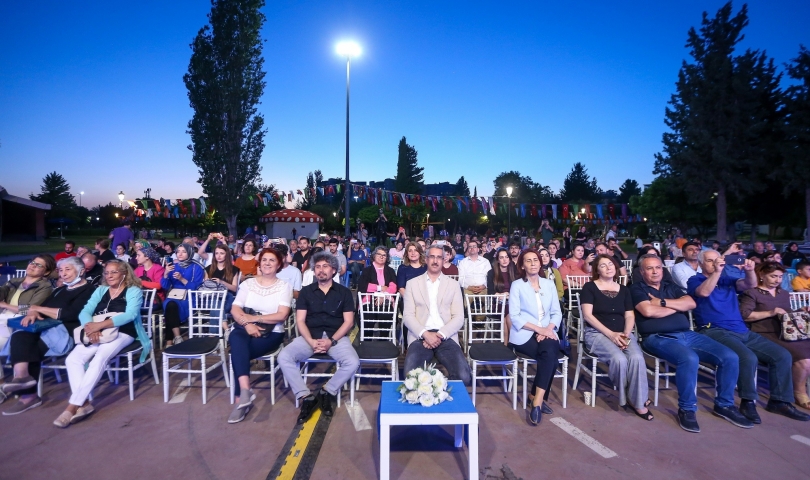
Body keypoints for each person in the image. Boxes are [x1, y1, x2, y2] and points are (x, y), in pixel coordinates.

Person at [631, 253, 749, 433]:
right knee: (689, 358)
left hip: (687, 334)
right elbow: (648, 311)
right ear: (642, 271)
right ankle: (687, 409)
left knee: (730, 356)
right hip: (656, 337)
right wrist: (676, 307)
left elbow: (691, 303)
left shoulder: (670, 286)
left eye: (658, 267)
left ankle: (724, 405)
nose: (655, 272)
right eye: (650, 268)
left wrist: (661, 303)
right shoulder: (636, 288)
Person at [688, 250, 810, 423]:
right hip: (713, 330)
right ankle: (748, 402)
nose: (715, 264)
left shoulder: (726, 279)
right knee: (747, 357)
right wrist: (716, 271)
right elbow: (704, 293)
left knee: (782, 355)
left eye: (717, 260)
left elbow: (749, 285)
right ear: (700, 264)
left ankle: (780, 401)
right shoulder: (695, 279)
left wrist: (749, 270)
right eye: (710, 261)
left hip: (742, 330)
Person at [52, 260, 150, 428]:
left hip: (124, 331)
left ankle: (72, 407)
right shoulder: (101, 290)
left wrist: (101, 325)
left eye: (114, 272)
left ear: (124, 273)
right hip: (96, 331)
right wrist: (91, 327)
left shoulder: (133, 291)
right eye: (106, 273)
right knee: (73, 359)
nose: (109, 276)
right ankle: (84, 404)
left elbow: (130, 315)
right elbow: (85, 311)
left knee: (100, 357)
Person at [0, 257, 95, 413]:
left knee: (29, 344)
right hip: (47, 328)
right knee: (20, 335)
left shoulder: (89, 290)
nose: (63, 274)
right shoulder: (59, 290)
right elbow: (40, 308)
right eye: (61, 270)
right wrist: (33, 313)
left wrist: (38, 309)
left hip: (66, 332)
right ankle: (22, 377)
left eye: (68, 269)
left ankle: (28, 395)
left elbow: (72, 314)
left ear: (82, 271)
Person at [278, 252, 358, 423]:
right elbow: (300, 320)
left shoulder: (344, 293)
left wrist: (331, 341)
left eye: (325, 267)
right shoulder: (306, 292)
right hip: (310, 335)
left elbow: (348, 322)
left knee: (352, 362)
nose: (321, 270)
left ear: (334, 270)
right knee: (284, 356)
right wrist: (311, 341)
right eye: (318, 267)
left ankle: (327, 391)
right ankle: (306, 396)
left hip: (335, 337)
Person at [580, 255, 651, 420]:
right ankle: (636, 399)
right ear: (597, 270)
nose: (608, 267)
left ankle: (636, 402)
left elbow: (629, 315)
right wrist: (611, 335)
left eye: (610, 264)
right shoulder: (590, 287)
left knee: (637, 357)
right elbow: (588, 316)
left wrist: (626, 334)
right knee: (619, 360)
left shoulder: (624, 289)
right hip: (597, 333)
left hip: (622, 332)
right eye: (603, 265)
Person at [227, 248, 293, 423]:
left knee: (238, 351)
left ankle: (240, 400)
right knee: (237, 338)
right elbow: (235, 308)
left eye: (272, 260)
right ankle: (245, 392)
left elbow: (282, 315)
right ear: (260, 262)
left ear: (278, 264)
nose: (267, 263)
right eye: (264, 260)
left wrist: (255, 318)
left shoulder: (284, 286)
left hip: (270, 334)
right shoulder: (247, 284)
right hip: (244, 330)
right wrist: (247, 324)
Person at [739, 262, 810, 410]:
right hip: (764, 333)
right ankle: (799, 392)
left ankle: (794, 385)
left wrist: (801, 310)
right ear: (762, 275)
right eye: (773, 276)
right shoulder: (752, 293)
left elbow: (788, 314)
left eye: (780, 276)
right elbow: (744, 316)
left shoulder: (783, 293)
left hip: (786, 332)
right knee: (803, 358)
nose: (777, 280)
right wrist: (770, 313)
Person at [402, 245, 471, 386]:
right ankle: (426, 398)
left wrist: (439, 335)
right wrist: (426, 334)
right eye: (432, 257)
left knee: (464, 377)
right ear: (426, 259)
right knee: (410, 378)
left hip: (446, 335)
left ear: (444, 259)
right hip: (420, 336)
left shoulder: (453, 285)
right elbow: (407, 316)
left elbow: (458, 317)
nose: (435, 260)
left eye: (439, 257)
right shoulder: (412, 284)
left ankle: (441, 396)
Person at [508, 249, 563, 425]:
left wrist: (548, 329)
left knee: (549, 352)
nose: (532, 263)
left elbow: (556, 312)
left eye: (535, 260)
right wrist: (540, 330)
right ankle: (536, 398)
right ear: (522, 265)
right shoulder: (517, 285)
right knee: (551, 357)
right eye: (528, 261)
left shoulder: (549, 284)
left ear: (540, 263)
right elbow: (515, 316)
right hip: (523, 334)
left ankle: (536, 400)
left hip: (546, 331)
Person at [0, 255, 56, 352]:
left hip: (19, 323)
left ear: (46, 272)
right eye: (32, 262)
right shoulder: (14, 281)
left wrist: (5, 305)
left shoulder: (45, 287)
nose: (33, 266)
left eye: (39, 265)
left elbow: (31, 309)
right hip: (3, 319)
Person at [160, 243, 205, 346]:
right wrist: (166, 273)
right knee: (170, 304)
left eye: (183, 252)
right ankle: (177, 337)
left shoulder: (196, 268)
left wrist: (182, 279)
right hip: (174, 295)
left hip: (189, 296)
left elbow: (196, 287)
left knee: (170, 308)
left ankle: (169, 341)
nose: (180, 254)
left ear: (189, 253)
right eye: (178, 251)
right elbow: (165, 286)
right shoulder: (172, 266)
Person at [487, 248, 517, 344]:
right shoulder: (491, 273)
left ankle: (505, 344)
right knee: (507, 312)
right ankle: (511, 344)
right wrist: (501, 295)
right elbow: (491, 292)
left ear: (509, 259)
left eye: (506, 257)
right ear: (498, 260)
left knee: (507, 314)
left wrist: (510, 296)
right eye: (501, 257)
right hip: (496, 303)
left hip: (512, 302)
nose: (504, 260)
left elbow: (518, 290)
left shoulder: (514, 271)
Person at [205, 244, 239, 314]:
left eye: (222, 253)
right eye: (216, 253)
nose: (219, 256)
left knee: (218, 305)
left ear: (226, 255)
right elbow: (205, 286)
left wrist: (221, 282)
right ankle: (224, 323)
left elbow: (235, 288)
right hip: (212, 297)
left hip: (227, 298)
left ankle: (220, 321)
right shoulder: (209, 268)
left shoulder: (234, 269)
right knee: (215, 303)